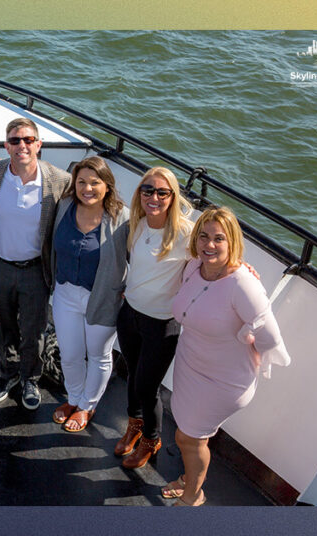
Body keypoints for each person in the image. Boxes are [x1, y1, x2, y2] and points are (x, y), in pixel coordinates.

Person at [166, 206, 290, 506]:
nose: (209, 245)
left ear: (232, 242)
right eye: (204, 236)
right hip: (190, 365)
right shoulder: (195, 266)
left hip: (223, 380)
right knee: (194, 436)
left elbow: (271, 338)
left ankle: (193, 496)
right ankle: (188, 479)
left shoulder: (244, 285)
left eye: (219, 239)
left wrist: (246, 343)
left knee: (187, 438)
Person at [0, 118, 70, 410]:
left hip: (35, 269)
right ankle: (8, 374)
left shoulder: (59, 180)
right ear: (6, 145)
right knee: (3, 326)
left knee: (34, 330)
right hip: (0, 265)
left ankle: (31, 377)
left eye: (28, 140)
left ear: (39, 145)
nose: (22, 145)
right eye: (15, 140)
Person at [112, 168, 192, 469]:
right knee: (132, 374)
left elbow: (218, 256)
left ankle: (151, 438)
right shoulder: (137, 224)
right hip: (130, 314)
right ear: (139, 194)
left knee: (148, 386)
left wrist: (245, 270)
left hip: (162, 325)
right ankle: (134, 424)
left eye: (162, 192)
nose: (154, 198)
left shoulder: (186, 233)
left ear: (173, 197)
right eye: (148, 190)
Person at [50, 156, 130, 433]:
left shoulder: (123, 218)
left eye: (94, 182)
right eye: (81, 182)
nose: (87, 188)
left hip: (102, 298)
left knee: (98, 354)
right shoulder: (64, 207)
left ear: (107, 185)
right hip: (65, 292)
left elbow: (143, 254)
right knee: (70, 354)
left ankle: (87, 405)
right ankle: (73, 399)